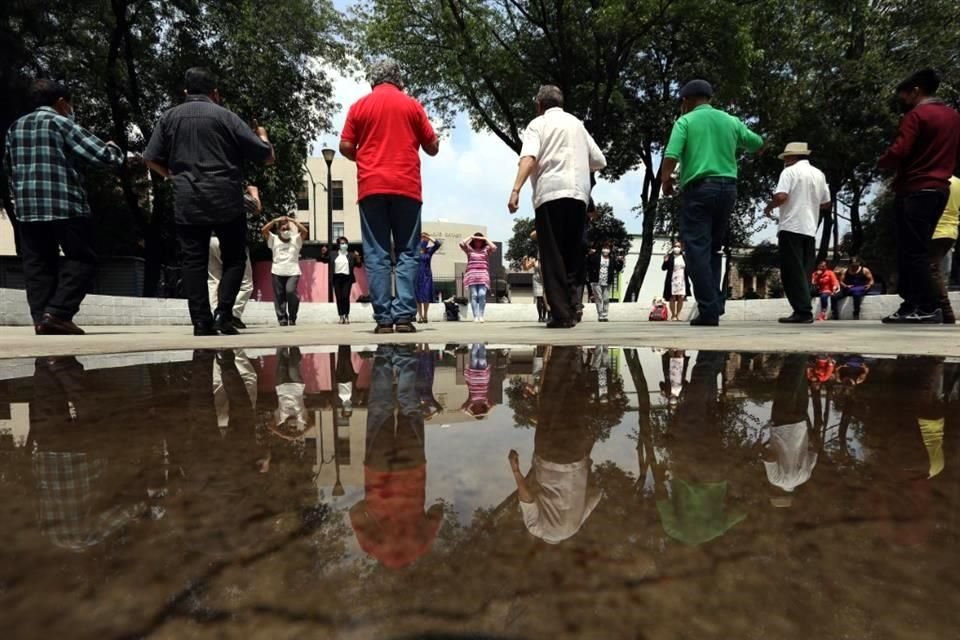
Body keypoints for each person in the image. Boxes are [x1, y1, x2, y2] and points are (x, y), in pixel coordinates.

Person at [144, 67, 275, 336]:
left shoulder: (169, 118)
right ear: (215, 93)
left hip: (188, 197)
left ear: (185, 93)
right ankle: (224, 315)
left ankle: (201, 322)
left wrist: (172, 176)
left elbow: (150, 158)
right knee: (235, 258)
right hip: (225, 196)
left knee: (193, 261)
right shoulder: (226, 117)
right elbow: (266, 156)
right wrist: (262, 135)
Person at [3, 79, 125, 335]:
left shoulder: (15, 127)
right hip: (65, 205)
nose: (71, 109)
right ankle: (58, 313)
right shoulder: (61, 123)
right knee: (83, 258)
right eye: (70, 104)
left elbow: (8, 166)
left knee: (37, 264)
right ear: (60, 102)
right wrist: (114, 147)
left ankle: (42, 319)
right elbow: (103, 157)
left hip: (27, 208)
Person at [340, 59, 440, 335]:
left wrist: (365, 158)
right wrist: (436, 140)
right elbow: (432, 147)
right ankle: (405, 316)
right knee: (408, 250)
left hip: (371, 187)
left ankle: (383, 318)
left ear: (372, 79)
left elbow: (346, 145)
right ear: (399, 79)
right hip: (407, 187)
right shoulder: (412, 106)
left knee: (377, 252)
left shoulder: (359, 107)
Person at [660, 79, 764, 327]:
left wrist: (666, 181)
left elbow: (671, 155)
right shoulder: (730, 121)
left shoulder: (685, 121)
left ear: (687, 100)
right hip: (728, 188)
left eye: (682, 101)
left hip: (699, 189)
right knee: (714, 249)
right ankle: (714, 304)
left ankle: (709, 309)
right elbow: (757, 143)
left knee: (696, 249)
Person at [508, 85, 607, 329]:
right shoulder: (577, 125)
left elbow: (529, 157)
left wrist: (516, 189)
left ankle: (561, 314)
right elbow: (599, 160)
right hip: (577, 194)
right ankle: (573, 306)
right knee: (573, 252)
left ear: (539, 105)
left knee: (552, 255)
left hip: (550, 193)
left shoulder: (537, 124)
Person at [878, 68, 960, 324]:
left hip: (915, 188)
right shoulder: (953, 116)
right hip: (939, 188)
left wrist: (884, 161)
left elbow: (900, 150)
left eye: (903, 96)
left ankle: (924, 305)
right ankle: (914, 304)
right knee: (920, 249)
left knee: (912, 252)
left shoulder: (917, 115)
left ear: (915, 90)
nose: (902, 102)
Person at [350, 346, 444, 568]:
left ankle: (404, 357)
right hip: (377, 473)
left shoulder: (420, 547)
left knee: (410, 410)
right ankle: (383, 356)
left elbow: (436, 513)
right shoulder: (372, 548)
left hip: (412, 470)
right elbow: (355, 513)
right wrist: (372, 503)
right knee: (379, 409)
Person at [507, 346, 603, 543]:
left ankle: (575, 356)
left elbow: (597, 494)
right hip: (548, 457)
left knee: (573, 403)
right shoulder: (537, 529)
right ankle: (562, 352)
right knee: (551, 399)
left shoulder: (575, 526)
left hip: (576, 456)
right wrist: (516, 470)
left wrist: (586, 466)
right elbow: (527, 499)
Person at [763, 142, 832, 324]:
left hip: (791, 225)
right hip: (809, 228)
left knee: (792, 271)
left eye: (786, 157)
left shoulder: (789, 172)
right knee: (805, 270)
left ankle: (802, 311)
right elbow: (826, 203)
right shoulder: (819, 174)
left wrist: (769, 207)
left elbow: (781, 196)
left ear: (793, 157)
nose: (785, 160)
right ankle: (804, 307)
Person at [208, 185, 260, 329]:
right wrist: (254, 192)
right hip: (232, 239)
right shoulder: (235, 194)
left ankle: (215, 314)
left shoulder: (209, 192)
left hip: (211, 238)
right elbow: (256, 208)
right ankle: (232, 314)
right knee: (246, 282)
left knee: (214, 279)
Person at [261, 215, 307, 326]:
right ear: (278, 231)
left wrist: (291, 220)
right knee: (279, 296)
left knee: (290, 291)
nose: (286, 231)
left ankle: (292, 316)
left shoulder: (296, 239)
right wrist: (275, 220)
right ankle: (282, 318)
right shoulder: (273, 239)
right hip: (277, 271)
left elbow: (305, 231)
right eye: (283, 229)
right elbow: (263, 230)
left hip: (293, 271)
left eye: (288, 229)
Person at [930, 176, 960, 324]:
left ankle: (945, 311)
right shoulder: (958, 182)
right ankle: (939, 310)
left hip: (936, 230)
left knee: (932, 270)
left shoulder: (935, 181)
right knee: (939, 272)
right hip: (952, 230)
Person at [460, 232, 496, 322]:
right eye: (476, 240)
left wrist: (485, 239)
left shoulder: (486, 249)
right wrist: (471, 236)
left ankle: (481, 315)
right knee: (474, 295)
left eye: (480, 241)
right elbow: (461, 243)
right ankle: (475, 316)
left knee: (482, 294)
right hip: (472, 274)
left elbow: (494, 247)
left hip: (483, 274)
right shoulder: (469, 249)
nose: (478, 242)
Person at [326, 235, 360, 325]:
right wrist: (323, 253)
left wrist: (357, 257)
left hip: (347, 278)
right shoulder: (333, 254)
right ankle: (341, 316)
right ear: (338, 245)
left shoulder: (351, 255)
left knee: (345, 296)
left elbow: (359, 265)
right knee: (339, 297)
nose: (344, 245)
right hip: (336, 278)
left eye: (345, 243)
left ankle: (346, 315)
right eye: (342, 243)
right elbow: (324, 259)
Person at [587, 241, 623, 322]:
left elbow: (618, 269)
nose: (606, 250)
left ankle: (605, 315)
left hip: (607, 281)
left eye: (607, 248)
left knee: (606, 298)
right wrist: (590, 254)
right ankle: (600, 315)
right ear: (601, 249)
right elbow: (588, 263)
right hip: (596, 281)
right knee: (599, 298)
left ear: (610, 250)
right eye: (604, 248)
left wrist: (621, 261)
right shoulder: (596, 257)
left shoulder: (612, 259)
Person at [415, 232, 442, 323]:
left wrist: (429, 237)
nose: (424, 240)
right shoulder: (415, 251)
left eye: (425, 239)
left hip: (426, 275)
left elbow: (438, 244)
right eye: (422, 238)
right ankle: (419, 315)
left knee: (426, 295)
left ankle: (425, 315)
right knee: (418, 296)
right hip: (417, 275)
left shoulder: (429, 250)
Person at [661, 240, 691, 321]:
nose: (677, 248)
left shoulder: (684, 257)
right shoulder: (670, 257)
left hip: (682, 279)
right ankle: (673, 315)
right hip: (672, 278)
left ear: (681, 248)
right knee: (672, 297)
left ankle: (678, 315)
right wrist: (665, 261)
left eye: (679, 246)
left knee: (681, 297)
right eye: (675, 246)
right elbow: (663, 268)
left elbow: (688, 268)